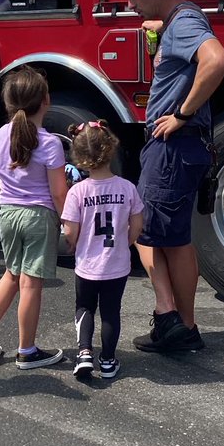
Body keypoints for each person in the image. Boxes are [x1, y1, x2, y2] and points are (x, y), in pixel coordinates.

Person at [120, 0, 224, 352]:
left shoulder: (184, 23)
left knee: (140, 227)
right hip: (184, 149)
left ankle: (169, 317)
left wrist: (181, 114)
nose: (130, 4)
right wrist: (160, 27)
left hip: (172, 147)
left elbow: (217, 60)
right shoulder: (181, 19)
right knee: (176, 239)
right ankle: (184, 329)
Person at [0, 66, 68, 369]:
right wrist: (68, 222)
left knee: (11, 274)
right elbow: (58, 193)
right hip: (38, 216)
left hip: (8, 213)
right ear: (46, 101)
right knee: (30, 284)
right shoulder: (50, 143)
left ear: (9, 103)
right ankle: (26, 350)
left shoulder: (0, 135)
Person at [61, 121, 144, 380]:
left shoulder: (77, 192)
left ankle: (84, 352)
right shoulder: (127, 188)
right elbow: (137, 225)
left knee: (85, 306)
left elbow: (70, 230)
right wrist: (125, 243)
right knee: (110, 312)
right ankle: (108, 360)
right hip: (116, 264)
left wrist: (73, 243)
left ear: (79, 156)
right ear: (111, 149)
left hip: (87, 264)